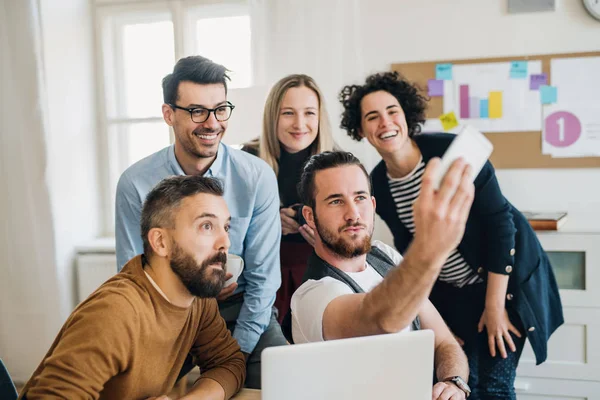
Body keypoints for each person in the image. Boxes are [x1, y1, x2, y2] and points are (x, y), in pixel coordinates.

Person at [338, 71, 564, 400]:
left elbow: (501, 226)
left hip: (502, 287)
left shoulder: (453, 152)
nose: (385, 122)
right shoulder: (378, 185)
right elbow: (412, 250)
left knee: (495, 388)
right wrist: (438, 320)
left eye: (392, 112)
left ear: (406, 116)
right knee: (457, 384)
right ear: (361, 130)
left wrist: (494, 307)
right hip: (451, 296)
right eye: (372, 117)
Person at [114, 56, 287, 389]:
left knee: (288, 384)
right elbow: (131, 276)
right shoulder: (135, 183)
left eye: (220, 109)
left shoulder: (256, 177)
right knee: (124, 390)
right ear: (169, 114)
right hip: (166, 314)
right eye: (197, 111)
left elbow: (263, 280)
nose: (212, 123)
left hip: (241, 309)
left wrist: (235, 353)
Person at [20, 176, 245, 399]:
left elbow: (228, 362)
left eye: (225, 227)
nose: (225, 241)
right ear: (161, 242)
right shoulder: (115, 313)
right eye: (207, 226)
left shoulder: (196, 297)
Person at [290, 151, 473, 400]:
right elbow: (382, 320)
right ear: (310, 216)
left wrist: (454, 383)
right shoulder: (313, 295)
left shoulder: (385, 256)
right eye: (336, 201)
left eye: (360, 198)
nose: (353, 214)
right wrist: (429, 247)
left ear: (373, 205)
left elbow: (444, 342)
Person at [242, 74, 336, 322]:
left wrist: (325, 231)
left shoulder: (337, 161)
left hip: (323, 272)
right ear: (273, 116)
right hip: (264, 273)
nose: (299, 123)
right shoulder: (248, 159)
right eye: (288, 113)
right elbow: (232, 223)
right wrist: (271, 222)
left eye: (309, 113)